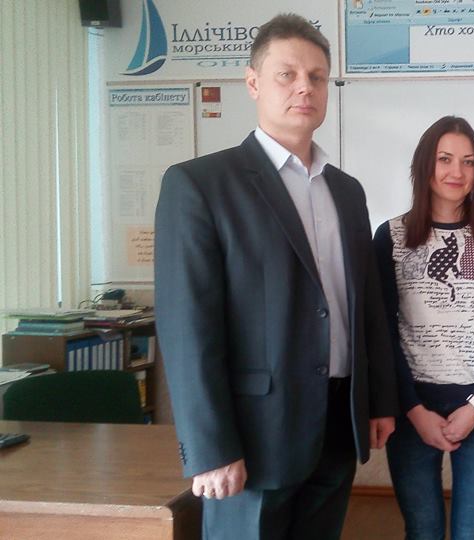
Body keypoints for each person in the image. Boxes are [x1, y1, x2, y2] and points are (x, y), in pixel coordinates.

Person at [154, 14, 397, 540]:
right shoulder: (201, 185)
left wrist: (377, 401)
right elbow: (187, 328)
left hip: (337, 424)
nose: (304, 87)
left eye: (316, 76)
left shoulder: (346, 191)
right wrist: (210, 446)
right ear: (253, 83)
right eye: (287, 74)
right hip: (252, 437)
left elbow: (366, 306)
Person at [373, 116, 474, 540]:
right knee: (422, 529)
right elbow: (382, 333)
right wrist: (413, 409)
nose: (457, 171)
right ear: (425, 165)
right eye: (445, 159)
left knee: (472, 532)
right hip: (413, 405)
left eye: (468, 161)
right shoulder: (391, 237)